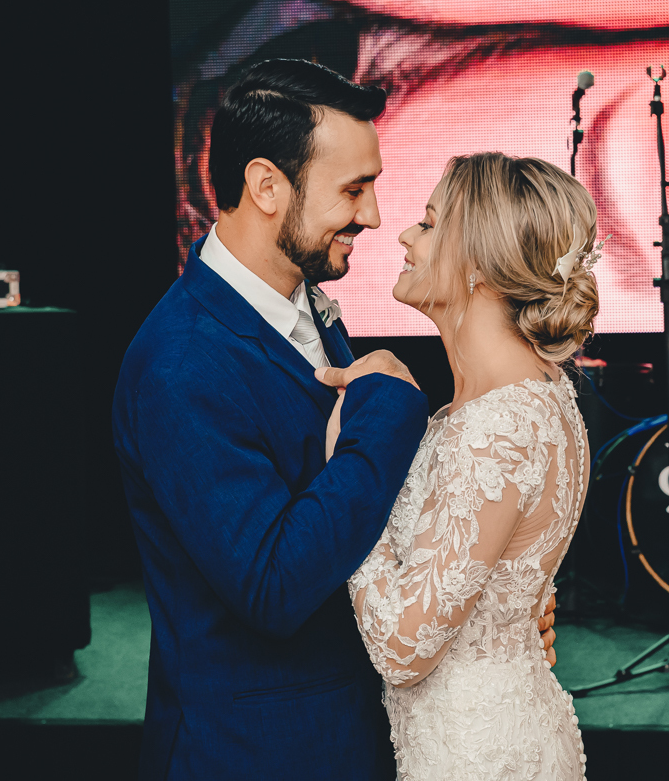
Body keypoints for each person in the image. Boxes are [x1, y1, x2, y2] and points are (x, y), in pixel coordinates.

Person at [113, 60, 556, 780]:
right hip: (259, 753)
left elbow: (362, 519)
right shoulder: (182, 363)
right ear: (266, 186)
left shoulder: (305, 308)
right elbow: (272, 586)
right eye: (354, 188)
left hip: (353, 732)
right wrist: (384, 412)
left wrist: (484, 607)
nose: (375, 216)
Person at [319, 152, 598, 779]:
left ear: (475, 263)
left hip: (474, 757)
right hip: (507, 730)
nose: (405, 235)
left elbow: (401, 648)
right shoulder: (541, 397)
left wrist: (346, 471)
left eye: (428, 221)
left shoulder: (493, 429)